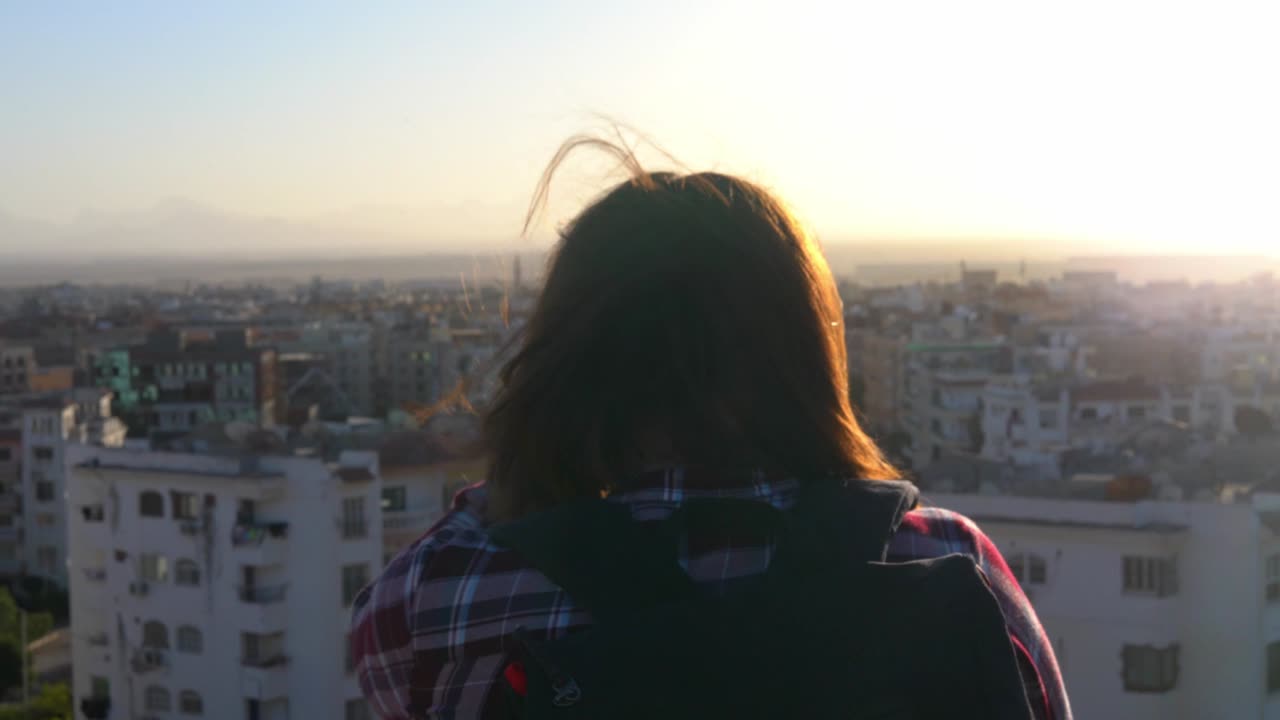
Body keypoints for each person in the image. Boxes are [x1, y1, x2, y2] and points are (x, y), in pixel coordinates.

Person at [350, 137, 1071, 720]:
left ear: (567, 357)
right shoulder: (942, 562)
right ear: (804, 355)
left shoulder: (437, 599)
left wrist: (526, 474)